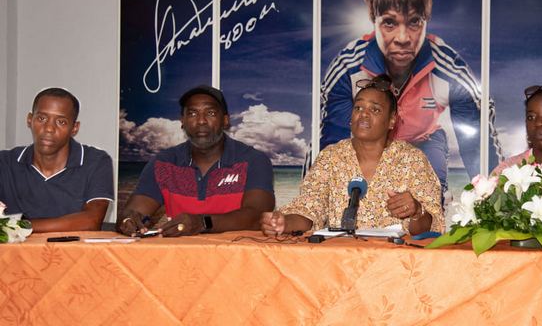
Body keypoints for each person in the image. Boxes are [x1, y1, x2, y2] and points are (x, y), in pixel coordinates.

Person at [318, 0, 503, 194]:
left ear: (426, 21)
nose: (403, 37)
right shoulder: (348, 68)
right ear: (373, 20)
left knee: (429, 203)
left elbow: (479, 148)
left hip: (424, 142)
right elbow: (329, 148)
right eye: (389, 23)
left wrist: (500, 208)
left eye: (414, 22)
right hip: (368, 146)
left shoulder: (448, 68)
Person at [262, 75, 444, 236]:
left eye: (375, 110)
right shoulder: (331, 157)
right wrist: (284, 223)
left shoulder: (412, 160)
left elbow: (431, 228)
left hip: (395, 265)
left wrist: (416, 211)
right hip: (340, 262)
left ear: (392, 120)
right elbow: (309, 210)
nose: (363, 115)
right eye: (358, 108)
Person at [118, 85, 275, 237]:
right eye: (192, 114)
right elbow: (133, 212)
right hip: (180, 258)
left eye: (211, 113)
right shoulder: (163, 163)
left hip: (238, 258)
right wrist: (128, 221)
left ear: (225, 121)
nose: (201, 121)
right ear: (183, 122)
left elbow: (257, 217)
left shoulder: (253, 160)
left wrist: (202, 223)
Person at [0, 88, 114, 232]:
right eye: (42, 118)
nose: (49, 128)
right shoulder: (5, 162)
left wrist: (16, 227)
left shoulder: (95, 161)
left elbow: (91, 221)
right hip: (16, 254)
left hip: (73, 254)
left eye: (61, 122)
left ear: (75, 128)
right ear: (30, 119)